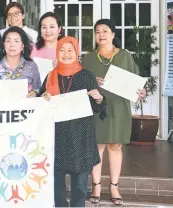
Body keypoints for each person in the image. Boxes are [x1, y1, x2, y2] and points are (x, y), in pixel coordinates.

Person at [82, 19, 146, 206]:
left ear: (113, 34)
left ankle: (114, 186)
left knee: (115, 145)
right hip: (96, 107)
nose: (100, 35)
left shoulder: (125, 55)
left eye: (105, 31)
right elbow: (81, 83)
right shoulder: (89, 58)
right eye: (97, 31)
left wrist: (142, 91)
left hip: (118, 106)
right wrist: (93, 81)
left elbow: (135, 80)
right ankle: (96, 185)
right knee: (97, 146)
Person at [40, 36, 105, 207]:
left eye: (71, 50)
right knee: (56, 184)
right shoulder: (50, 77)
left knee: (80, 185)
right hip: (57, 137)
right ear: (57, 52)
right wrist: (43, 98)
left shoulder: (86, 76)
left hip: (80, 137)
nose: (66, 54)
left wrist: (98, 98)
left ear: (77, 53)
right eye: (62, 50)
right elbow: (39, 104)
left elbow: (99, 108)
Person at [0, 26, 40, 97]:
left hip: (24, 106)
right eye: (8, 41)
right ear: (4, 45)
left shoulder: (31, 65)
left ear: (22, 46)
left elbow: (37, 88)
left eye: (16, 41)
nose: (12, 45)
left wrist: (35, 93)